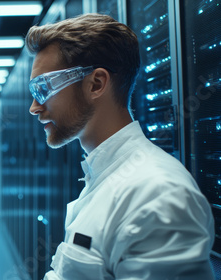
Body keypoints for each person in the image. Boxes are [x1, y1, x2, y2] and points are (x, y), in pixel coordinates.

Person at [25, 13, 215, 279]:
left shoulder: (158, 195)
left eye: (43, 88)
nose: (34, 107)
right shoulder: (103, 178)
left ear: (96, 84)